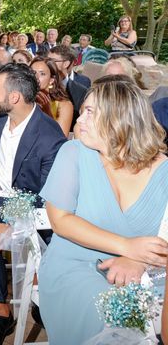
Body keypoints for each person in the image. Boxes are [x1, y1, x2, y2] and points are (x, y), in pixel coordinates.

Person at [38, 77, 168, 344]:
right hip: (74, 267)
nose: (79, 119)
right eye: (82, 109)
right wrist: (127, 246)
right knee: (112, 314)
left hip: (144, 273)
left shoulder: (163, 169)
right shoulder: (73, 152)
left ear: (119, 118)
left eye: (90, 112)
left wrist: (139, 260)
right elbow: (60, 221)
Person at [0, 63, 66, 345]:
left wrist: (12, 225)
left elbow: (47, 195)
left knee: (26, 240)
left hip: (31, 205)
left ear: (14, 98)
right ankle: (2, 312)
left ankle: (38, 293)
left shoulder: (50, 136)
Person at [48, 45, 90, 126]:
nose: (47, 64)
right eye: (46, 60)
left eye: (52, 61)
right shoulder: (41, 85)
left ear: (66, 64)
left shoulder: (81, 91)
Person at [30, 57, 73, 137]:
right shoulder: (23, 100)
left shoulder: (64, 105)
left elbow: (60, 139)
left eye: (42, 74)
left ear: (51, 80)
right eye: (32, 73)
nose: (36, 77)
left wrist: (47, 111)